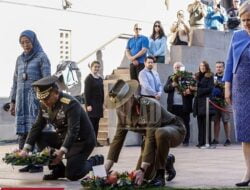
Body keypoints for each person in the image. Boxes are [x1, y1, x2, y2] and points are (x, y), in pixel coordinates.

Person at [19, 75, 104, 181]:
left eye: (46, 98)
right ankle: (58, 169)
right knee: (40, 136)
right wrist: (26, 149)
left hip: (81, 141)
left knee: (72, 175)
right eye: (42, 99)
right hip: (63, 137)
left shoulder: (70, 104)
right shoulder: (45, 105)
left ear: (56, 93)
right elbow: (37, 126)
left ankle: (96, 161)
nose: (44, 102)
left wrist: (61, 152)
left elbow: (73, 130)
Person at [104, 79, 186, 187]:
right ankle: (166, 160)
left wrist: (142, 169)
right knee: (141, 178)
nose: (121, 108)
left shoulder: (149, 105)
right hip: (152, 136)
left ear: (132, 97)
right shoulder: (121, 113)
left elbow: (151, 137)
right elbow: (117, 140)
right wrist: (104, 170)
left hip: (174, 129)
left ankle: (160, 175)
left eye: (124, 103)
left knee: (159, 133)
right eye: (118, 105)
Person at [9, 30, 51, 173]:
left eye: (27, 42)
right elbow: (15, 81)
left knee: (36, 131)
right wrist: (13, 101)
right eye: (22, 43)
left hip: (35, 102)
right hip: (21, 102)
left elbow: (47, 81)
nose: (25, 45)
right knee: (24, 132)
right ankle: (27, 161)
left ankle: (38, 162)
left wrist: (45, 101)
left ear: (33, 41)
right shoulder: (19, 59)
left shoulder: (42, 57)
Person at [223, 1, 250, 186]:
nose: (247, 23)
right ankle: (249, 172)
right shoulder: (237, 36)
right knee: (245, 132)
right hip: (241, 90)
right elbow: (229, 62)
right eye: (244, 20)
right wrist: (227, 86)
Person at [164, 62, 194, 146]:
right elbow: (165, 89)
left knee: (185, 123)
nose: (177, 69)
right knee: (172, 124)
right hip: (173, 106)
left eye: (178, 67)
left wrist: (189, 91)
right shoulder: (170, 78)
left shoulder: (188, 78)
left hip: (184, 106)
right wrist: (172, 85)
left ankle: (186, 141)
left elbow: (193, 91)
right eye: (175, 67)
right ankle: (173, 141)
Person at [192, 61, 214, 147]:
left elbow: (210, 89)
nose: (202, 67)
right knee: (199, 124)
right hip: (198, 103)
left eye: (204, 66)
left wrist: (197, 89)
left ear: (207, 67)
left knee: (206, 124)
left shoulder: (210, 76)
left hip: (206, 103)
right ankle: (200, 142)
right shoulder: (197, 76)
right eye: (201, 66)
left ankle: (207, 142)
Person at [211, 61, 231, 146]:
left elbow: (229, 87)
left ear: (223, 68)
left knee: (226, 120)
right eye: (217, 67)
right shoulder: (212, 77)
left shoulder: (226, 77)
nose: (218, 68)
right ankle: (215, 139)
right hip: (214, 101)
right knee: (216, 121)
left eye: (220, 67)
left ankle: (228, 139)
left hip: (224, 101)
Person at [84, 61, 104, 147]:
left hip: (98, 104)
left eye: (98, 67)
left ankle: (95, 141)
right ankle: (90, 142)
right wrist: (87, 105)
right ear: (91, 67)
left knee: (96, 124)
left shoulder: (100, 78)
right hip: (91, 104)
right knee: (91, 124)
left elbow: (102, 92)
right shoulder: (89, 78)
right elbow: (86, 93)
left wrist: (103, 104)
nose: (96, 68)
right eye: (95, 67)